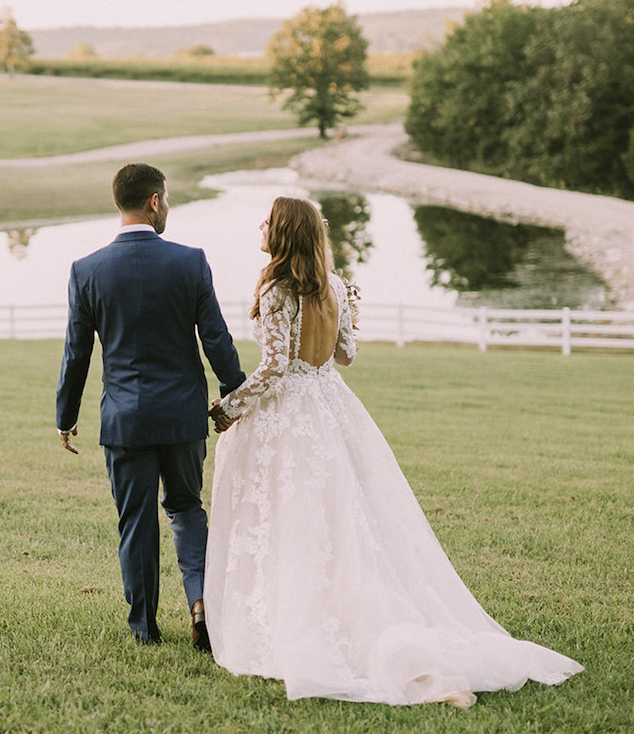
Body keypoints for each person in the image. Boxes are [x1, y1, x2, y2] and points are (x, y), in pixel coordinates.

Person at [204, 196, 583, 705]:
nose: (261, 225)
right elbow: (346, 355)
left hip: (291, 415)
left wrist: (229, 407)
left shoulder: (277, 289)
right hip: (331, 405)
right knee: (340, 520)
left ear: (286, 232)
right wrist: (348, 315)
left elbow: (273, 369)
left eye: (269, 220)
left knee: (292, 519)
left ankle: (299, 624)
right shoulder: (336, 287)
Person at [57, 163, 247, 648]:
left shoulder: (87, 270)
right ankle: (201, 606)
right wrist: (236, 392)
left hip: (124, 421)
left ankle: (144, 628)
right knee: (186, 508)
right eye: (168, 199)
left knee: (135, 520)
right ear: (154, 202)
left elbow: (77, 352)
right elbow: (217, 339)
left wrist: (66, 416)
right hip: (182, 416)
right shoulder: (190, 261)